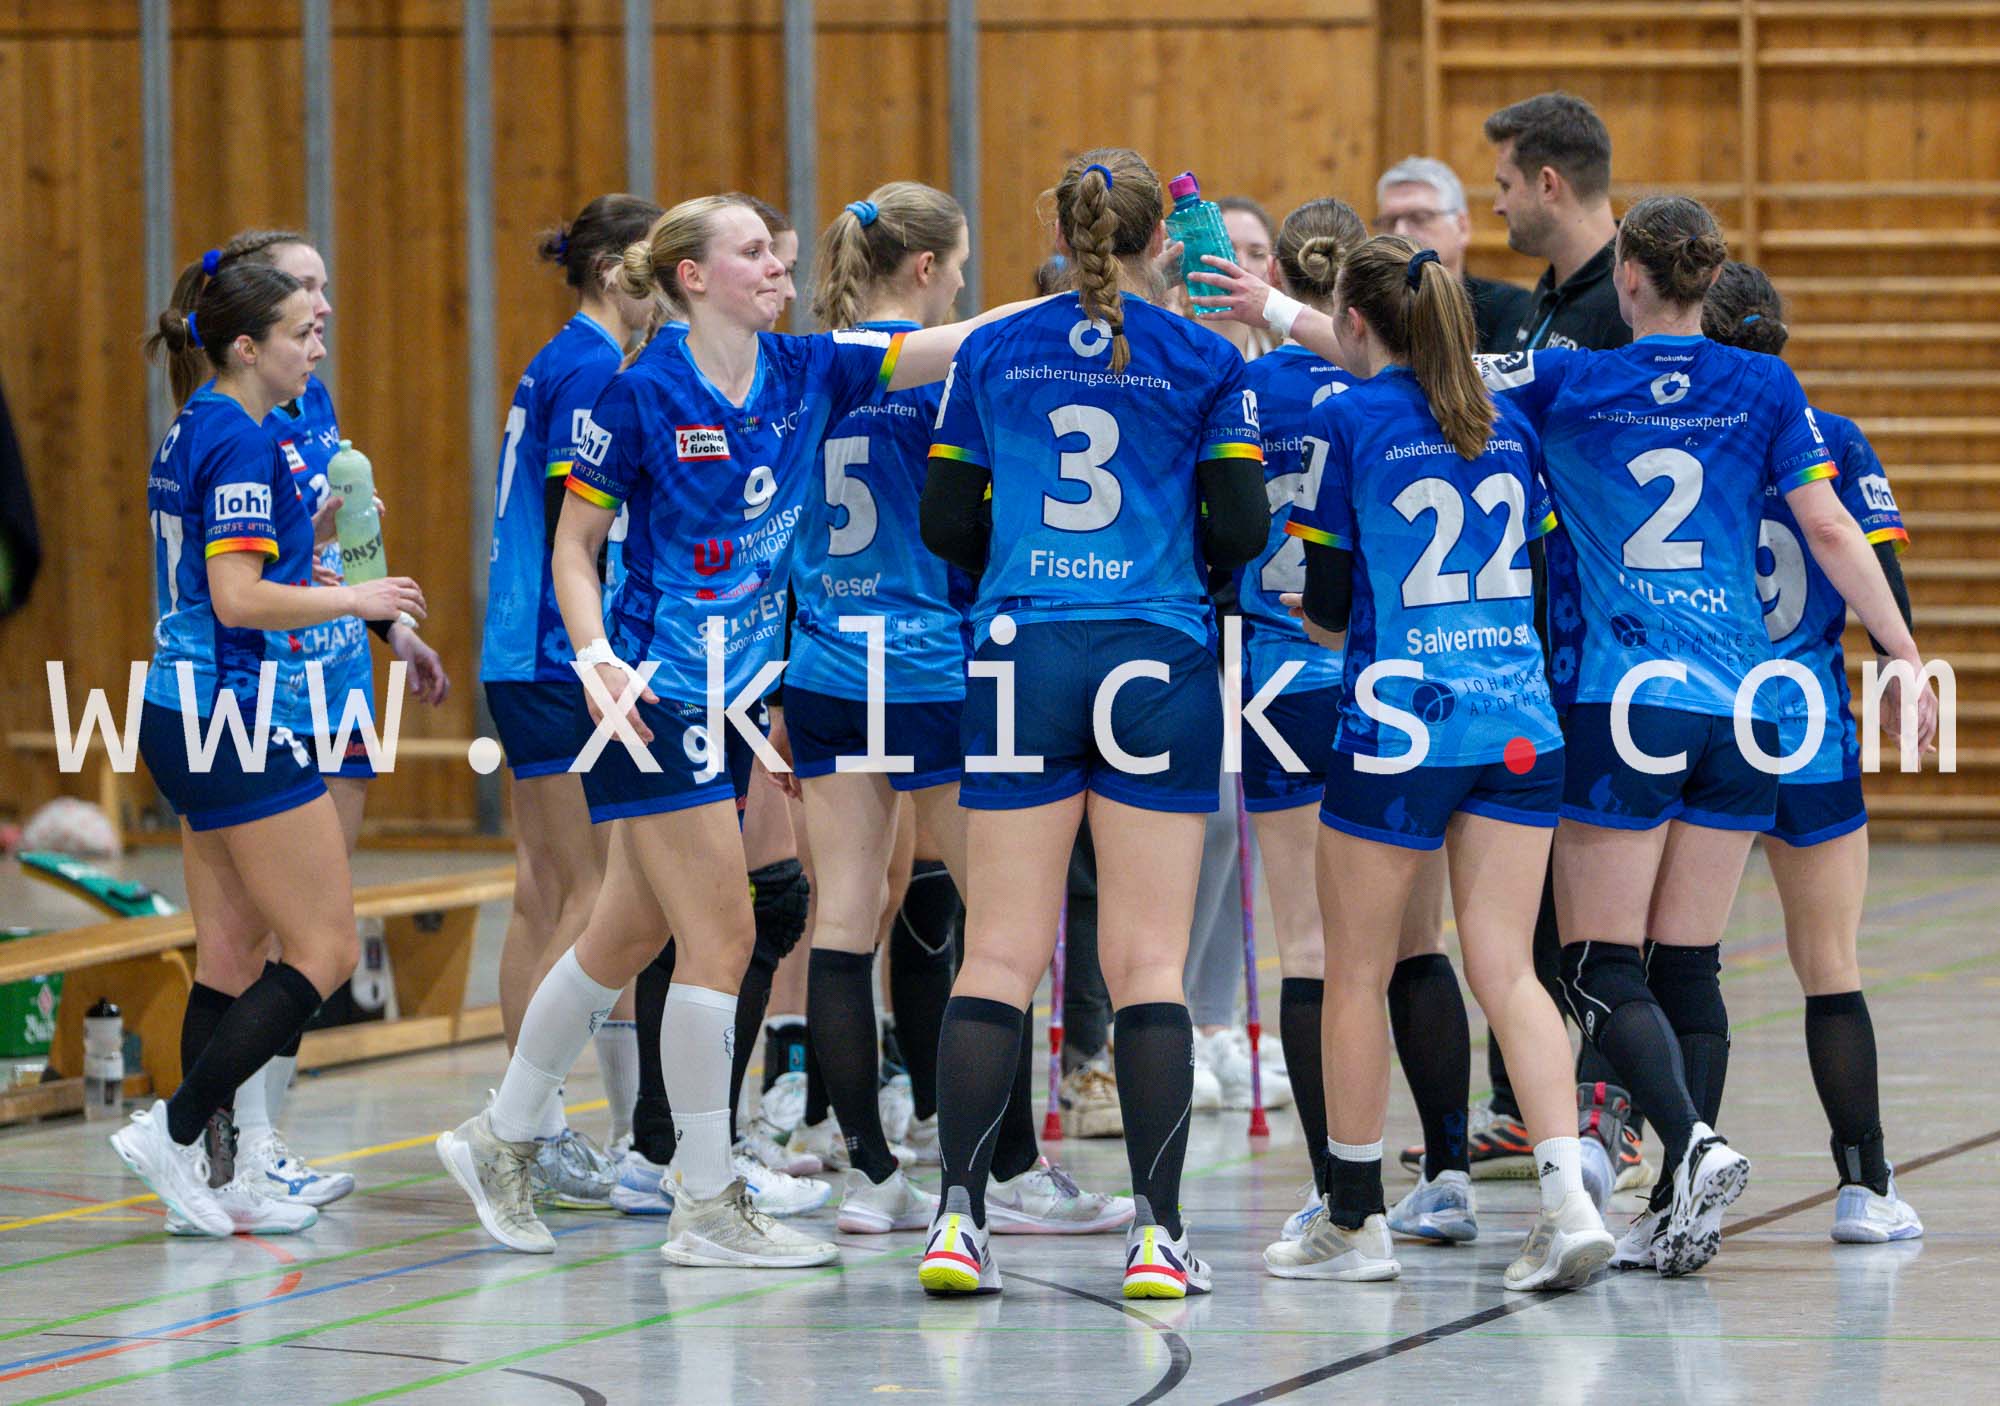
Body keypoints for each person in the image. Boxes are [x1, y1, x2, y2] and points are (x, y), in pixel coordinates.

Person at [435, 192, 1047, 1266]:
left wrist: (1080, 303)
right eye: (753, 251)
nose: (777, 266)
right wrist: (594, 656)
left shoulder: (806, 369)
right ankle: (706, 1202)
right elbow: (574, 547)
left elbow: (955, 340)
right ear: (692, 277)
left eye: (776, 250)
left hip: (733, 697)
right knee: (723, 935)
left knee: (623, 935)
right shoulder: (637, 393)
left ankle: (500, 1134)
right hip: (652, 693)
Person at [1473, 197, 1935, 1275]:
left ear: (1627, 277)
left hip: (1628, 699)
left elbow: (1437, 377)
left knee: (1596, 963)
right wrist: (1904, 652)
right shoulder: (1767, 387)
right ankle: (1691, 1210)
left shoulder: (1571, 378)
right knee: (1687, 963)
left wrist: (1286, 315)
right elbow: (1831, 528)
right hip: (1747, 709)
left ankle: (1688, 1141)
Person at [1203, 234, 1613, 1289]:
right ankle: (1567, 1202)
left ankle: (1354, 1219)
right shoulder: (1506, 418)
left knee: (1353, 971)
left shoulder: (1349, 419)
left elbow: (1331, 608)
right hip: (1517, 725)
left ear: (1352, 323)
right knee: (1506, 968)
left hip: (1400, 727)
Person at [915, 148, 1268, 1301]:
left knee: (996, 953)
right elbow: (1240, 523)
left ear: (1061, 237)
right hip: (1154, 654)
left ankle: (957, 1221)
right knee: (1147, 962)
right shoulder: (1204, 357)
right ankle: (1157, 1237)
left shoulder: (991, 349)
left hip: (1022, 650)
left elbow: (944, 517)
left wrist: (1024, 565)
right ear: (1162, 241)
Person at [115, 258, 426, 1236]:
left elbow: (231, 566)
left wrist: (309, 535)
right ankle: (173, 1131)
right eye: (303, 330)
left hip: (184, 706)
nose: (318, 345)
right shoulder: (243, 438)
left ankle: (216, 1176)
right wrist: (358, 596)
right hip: (233, 713)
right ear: (247, 347)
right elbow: (238, 598)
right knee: (323, 948)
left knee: (228, 955)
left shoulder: (199, 422)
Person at [1233, 198, 1477, 1248]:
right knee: (1419, 942)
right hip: (1403, 688)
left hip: (1283, 676)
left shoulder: (1247, 390)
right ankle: (1450, 1170)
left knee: (1313, 949)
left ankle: (1337, 1188)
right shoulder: (1431, 398)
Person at [200, 229, 449, 1213]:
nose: (324, 308)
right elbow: (245, 570)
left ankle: (269, 1138)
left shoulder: (314, 401)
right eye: (305, 289)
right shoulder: (234, 422)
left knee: (315, 928)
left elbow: (348, 543)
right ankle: (229, 1143)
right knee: (269, 931)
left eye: (326, 287)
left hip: (338, 674)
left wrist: (394, 628)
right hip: (268, 682)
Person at [1703, 261, 1924, 1243]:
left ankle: (1676, 1176)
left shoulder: (1671, 433)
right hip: (1803, 724)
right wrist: (1901, 669)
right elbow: (1878, 580)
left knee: (1679, 965)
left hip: (1692, 720)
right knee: (1829, 963)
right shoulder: (1829, 437)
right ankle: (1864, 1184)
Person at [482, 194, 661, 1211]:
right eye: (652, 264)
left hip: (523, 650)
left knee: (544, 892)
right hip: (559, 655)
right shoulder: (595, 370)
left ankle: (537, 1125)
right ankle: (523, 1126)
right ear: (610, 270)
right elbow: (575, 530)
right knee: (593, 896)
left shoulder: (557, 359)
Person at [1485, 92, 1627, 354]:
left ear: (1548, 185)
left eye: (1505, 186)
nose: (1498, 207)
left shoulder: (1630, 303)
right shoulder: (1556, 283)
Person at [1374, 155, 1530, 353]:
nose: (1400, 232)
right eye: (1389, 222)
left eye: (1419, 218)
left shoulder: (1509, 308)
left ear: (1462, 227)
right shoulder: (1369, 313)